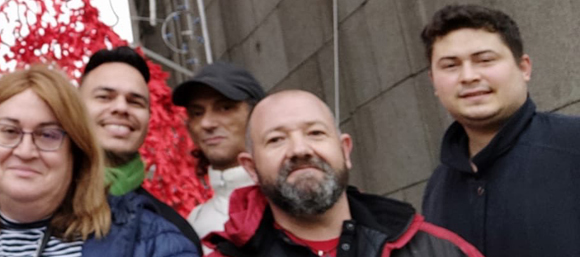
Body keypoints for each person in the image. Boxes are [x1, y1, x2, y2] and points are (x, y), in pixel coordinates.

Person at [0, 65, 197, 257]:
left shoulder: (151, 242)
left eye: (48, 135)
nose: (25, 151)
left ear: (76, 150)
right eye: (9, 131)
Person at [206, 90, 481, 257]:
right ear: (251, 168)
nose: (299, 149)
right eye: (276, 139)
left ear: (345, 150)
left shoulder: (435, 248)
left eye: (315, 133)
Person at [419, 4, 580, 257]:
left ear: (524, 67)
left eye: (485, 60)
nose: (468, 76)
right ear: (433, 82)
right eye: (451, 66)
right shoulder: (438, 189)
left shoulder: (573, 146)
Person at [80, 47, 202, 249]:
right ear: (74, 106)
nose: (121, 108)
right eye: (104, 97)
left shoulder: (174, 234)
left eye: (135, 102)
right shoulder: (32, 205)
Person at [170, 61, 266, 239]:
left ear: (258, 113)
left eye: (225, 107)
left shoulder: (295, 197)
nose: (207, 123)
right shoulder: (193, 226)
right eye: (197, 113)